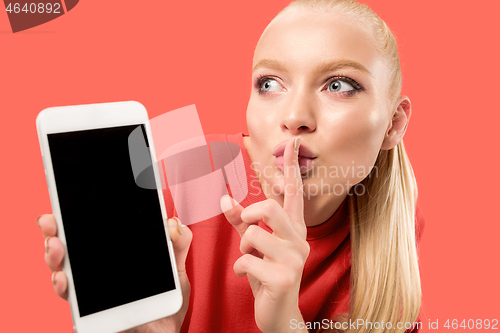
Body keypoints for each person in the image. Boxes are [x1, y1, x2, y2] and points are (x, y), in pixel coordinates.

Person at [37, 0, 425, 332]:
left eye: (338, 85)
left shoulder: (392, 227)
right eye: (270, 84)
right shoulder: (181, 174)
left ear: (394, 123)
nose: (294, 117)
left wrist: (285, 323)